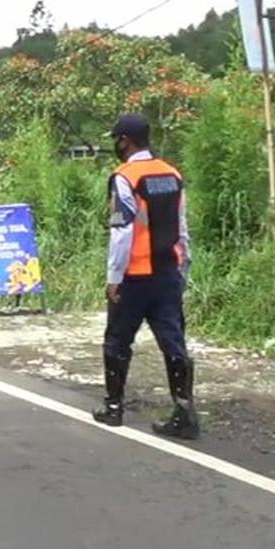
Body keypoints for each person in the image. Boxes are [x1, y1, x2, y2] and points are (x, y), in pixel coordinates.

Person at [93, 113, 200, 440]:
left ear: (125, 140)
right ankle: (184, 414)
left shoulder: (125, 177)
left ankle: (114, 409)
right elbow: (182, 227)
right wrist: (183, 268)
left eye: (116, 139)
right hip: (167, 274)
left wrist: (114, 278)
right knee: (174, 343)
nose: (115, 145)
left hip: (135, 276)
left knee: (117, 341)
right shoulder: (172, 173)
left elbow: (122, 230)